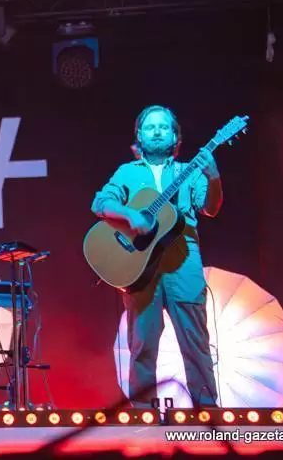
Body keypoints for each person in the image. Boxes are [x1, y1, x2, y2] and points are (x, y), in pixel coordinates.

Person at [91, 105, 223, 407]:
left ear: (175, 136)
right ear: (139, 135)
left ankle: (206, 411)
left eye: (164, 127)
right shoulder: (127, 172)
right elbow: (100, 202)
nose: (157, 132)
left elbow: (210, 208)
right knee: (142, 345)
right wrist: (129, 215)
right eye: (150, 127)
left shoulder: (188, 170)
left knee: (195, 341)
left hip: (183, 260)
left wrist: (214, 178)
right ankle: (143, 413)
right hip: (140, 265)